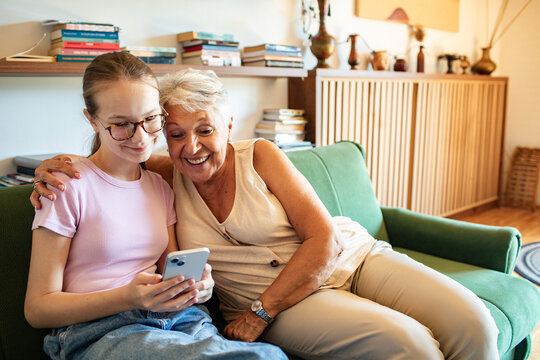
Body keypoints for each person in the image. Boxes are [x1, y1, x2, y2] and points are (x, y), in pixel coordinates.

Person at [32, 67, 500, 360]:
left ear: (229, 126)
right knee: (411, 347)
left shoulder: (258, 154)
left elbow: (325, 239)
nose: (190, 147)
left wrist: (255, 311)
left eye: (205, 130)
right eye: (174, 133)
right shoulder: (162, 171)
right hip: (284, 298)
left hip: (348, 258)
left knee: (474, 324)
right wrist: (53, 165)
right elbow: (112, 162)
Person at [24, 52, 286, 360]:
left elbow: (170, 272)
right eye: (121, 125)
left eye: (150, 119)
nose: (140, 137)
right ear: (92, 120)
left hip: (180, 320)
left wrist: (198, 288)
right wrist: (128, 297)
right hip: (100, 331)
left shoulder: (161, 187)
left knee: (270, 356)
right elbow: (38, 308)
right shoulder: (65, 185)